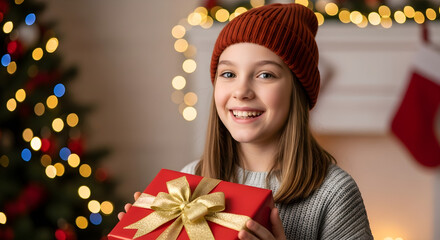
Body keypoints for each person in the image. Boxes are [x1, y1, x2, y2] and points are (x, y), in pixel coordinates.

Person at [119, 3, 373, 240]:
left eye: (265, 74)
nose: (241, 91)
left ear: (298, 91)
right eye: (228, 73)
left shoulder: (334, 193)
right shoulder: (188, 181)